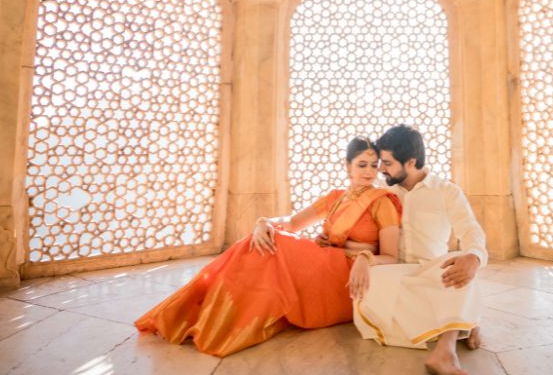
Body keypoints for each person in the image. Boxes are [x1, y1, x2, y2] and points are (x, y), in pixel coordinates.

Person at [135, 136, 401, 357]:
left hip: (348, 275)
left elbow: (391, 256)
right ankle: (207, 311)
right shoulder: (334, 198)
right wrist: (263, 223)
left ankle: (223, 320)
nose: (369, 171)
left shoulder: (382, 202)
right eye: (362, 164)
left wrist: (366, 257)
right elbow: (293, 223)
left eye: (373, 165)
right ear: (347, 167)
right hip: (324, 262)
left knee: (277, 249)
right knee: (260, 242)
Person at [354, 124, 487, 375]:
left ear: (411, 161)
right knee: (371, 284)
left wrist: (474, 257)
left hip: (433, 272)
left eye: (387, 163)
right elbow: (357, 232)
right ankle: (463, 322)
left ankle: (445, 351)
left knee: (461, 265)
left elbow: (471, 231)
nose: (381, 169)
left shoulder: (447, 192)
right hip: (394, 274)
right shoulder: (383, 194)